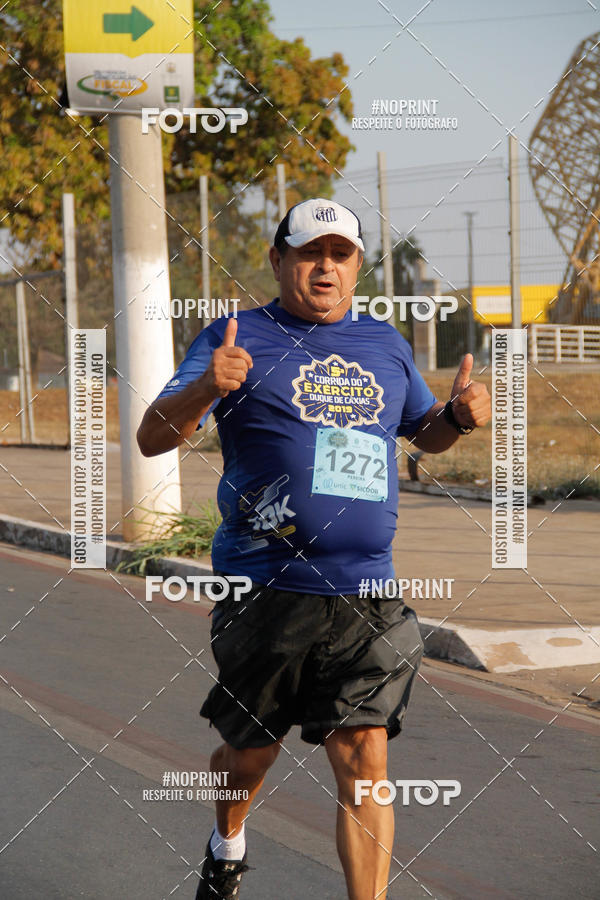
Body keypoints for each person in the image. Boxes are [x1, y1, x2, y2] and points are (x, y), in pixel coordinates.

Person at [137, 198, 491, 899]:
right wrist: (208, 386)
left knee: (364, 759)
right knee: (249, 756)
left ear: (357, 266)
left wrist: (454, 417)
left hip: (368, 590)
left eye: (340, 254)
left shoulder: (386, 344)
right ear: (278, 261)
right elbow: (153, 436)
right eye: (309, 253)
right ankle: (228, 841)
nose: (325, 267)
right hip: (265, 588)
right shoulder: (236, 335)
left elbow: (423, 433)